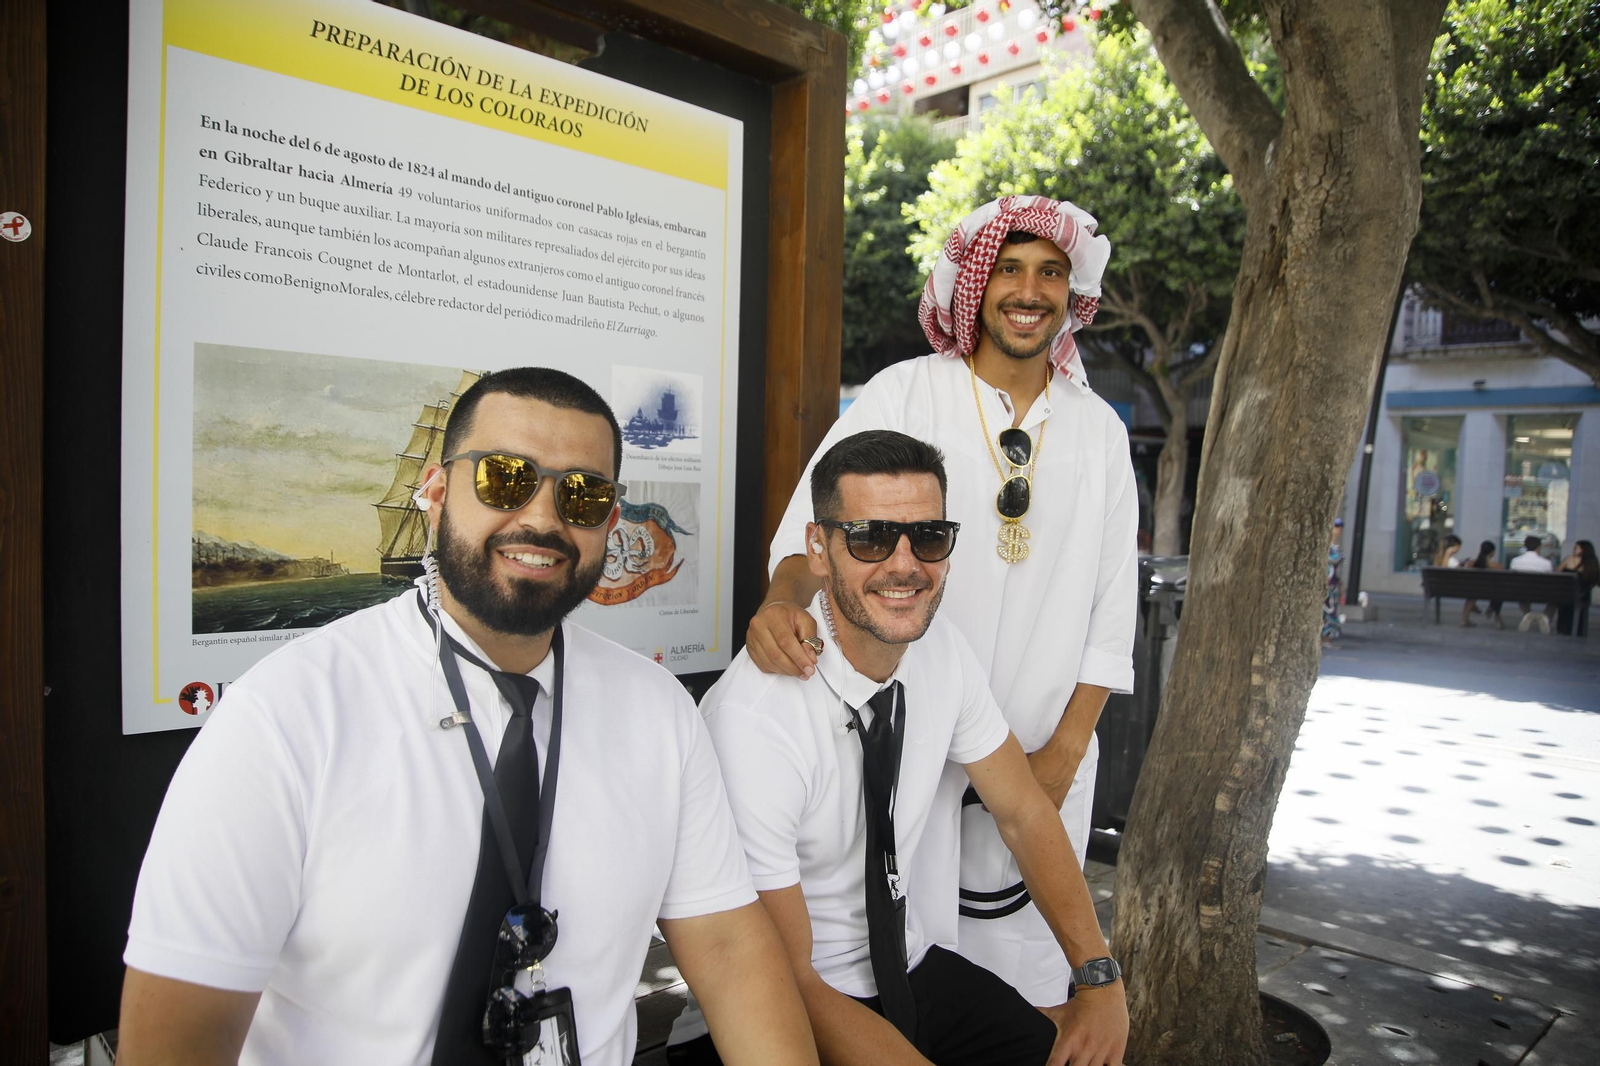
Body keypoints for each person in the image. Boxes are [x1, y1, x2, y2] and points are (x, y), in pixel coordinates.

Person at [118, 368, 817, 1066]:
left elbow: (727, 949)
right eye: (505, 479)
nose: (543, 518)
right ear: (435, 491)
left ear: (609, 518)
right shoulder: (285, 718)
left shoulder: (659, 712)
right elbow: (181, 1038)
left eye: (582, 493)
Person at [745, 195, 1136, 1007]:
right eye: (1009, 268)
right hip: (911, 743)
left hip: (1042, 756)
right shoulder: (907, 391)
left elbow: (1112, 608)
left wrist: (1063, 753)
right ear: (974, 283)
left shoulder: (1099, 428)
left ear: (1072, 294)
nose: (1029, 291)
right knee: (912, 964)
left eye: (1051, 273)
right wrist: (782, 603)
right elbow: (805, 534)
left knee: (1035, 982)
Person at [674, 430, 1127, 1066]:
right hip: (774, 1005)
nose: (905, 564)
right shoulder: (757, 718)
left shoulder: (942, 653)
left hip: (904, 970)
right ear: (819, 549)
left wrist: (1098, 976)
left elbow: (1023, 812)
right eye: (870, 537)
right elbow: (787, 978)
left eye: (929, 537)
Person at [1510, 533, 1555, 633]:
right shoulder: (1546, 563)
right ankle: (1546, 617)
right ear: (1539, 547)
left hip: (1520, 593)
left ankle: (1527, 614)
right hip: (1542, 594)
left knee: (1521, 591)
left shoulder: (1515, 561)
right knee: (1557, 597)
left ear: (1525, 546)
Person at [1555, 539, 1597, 637]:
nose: (1574, 550)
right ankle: (1579, 630)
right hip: (1583, 596)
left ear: (1583, 550)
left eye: (1576, 548)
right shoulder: (1592, 564)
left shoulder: (1569, 559)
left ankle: (1563, 629)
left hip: (1566, 595)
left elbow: (1557, 573)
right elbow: (1593, 581)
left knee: (1565, 604)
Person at [1462, 539, 1504, 628]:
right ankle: (1497, 617)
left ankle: (1464, 620)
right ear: (1492, 552)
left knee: (1471, 596)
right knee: (1499, 592)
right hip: (1491, 592)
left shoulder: (1471, 563)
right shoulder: (1497, 566)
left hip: (1474, 590)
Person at [1323, 517, 1344, 646]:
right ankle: (1322, 638)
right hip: (1326, 584)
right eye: (1336, 526)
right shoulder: (1326, 547)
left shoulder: (1337, 549)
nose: (1338, 529)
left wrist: (1342, 583)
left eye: (1340, 527)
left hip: (1335, 584)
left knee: (1332, 611)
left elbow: (1340, 568)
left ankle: (1328, 638)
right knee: (1325, 611)